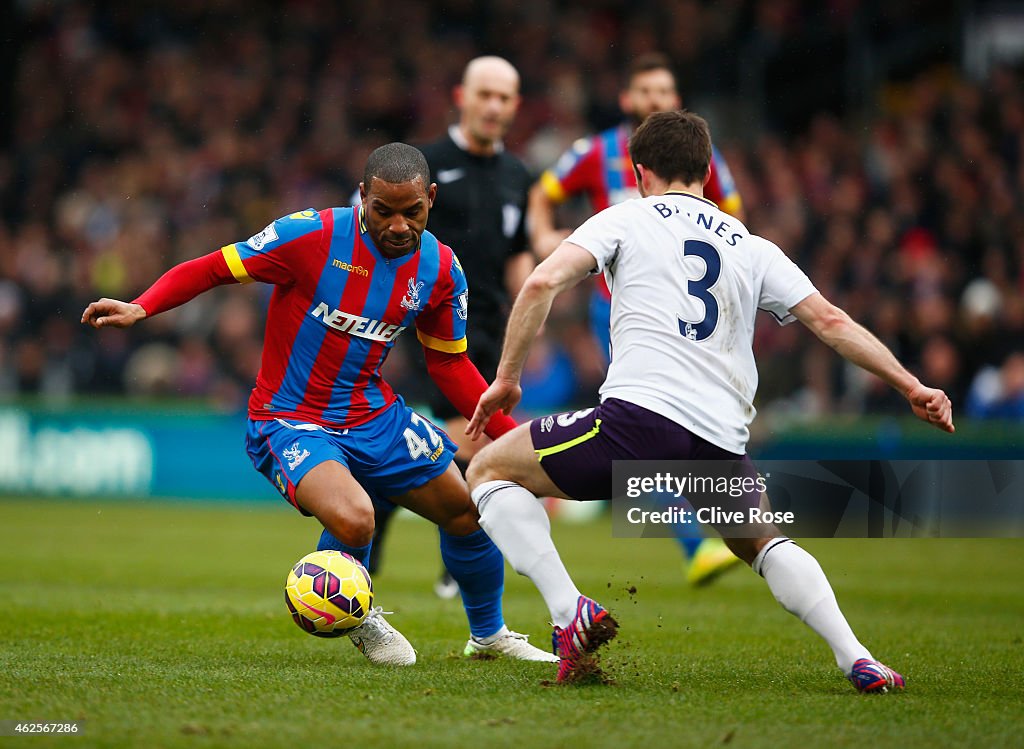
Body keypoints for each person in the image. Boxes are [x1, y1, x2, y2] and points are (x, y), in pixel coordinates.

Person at [464, 111, 954, 687]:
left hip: (639, 423)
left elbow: (542, 281)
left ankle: (568, 613)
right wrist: (911, 385)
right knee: (765, 543)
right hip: (719, 436)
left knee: (489, 468)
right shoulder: (750, 245)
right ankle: (858, 656)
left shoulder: (625, 216)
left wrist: (507, 377)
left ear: (640, 171)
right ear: (705, 172)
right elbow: (829, 320)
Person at [81, 142, 557, 667]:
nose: (399, 226)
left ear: (432, 199)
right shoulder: (311, 235)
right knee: (357, 519)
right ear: (362, 196)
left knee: (466, 512)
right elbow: (215, 268)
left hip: (374, 414)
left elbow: (449, 365)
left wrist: (514, 438)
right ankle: (358, 610)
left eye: (413, 211)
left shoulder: (441, 269)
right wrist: (142, 305)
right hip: (289, 419)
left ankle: (488, 636)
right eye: (384, 211)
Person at [322, 57, 534, 602]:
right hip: (419, 339)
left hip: (487, 338)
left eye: (505, 98)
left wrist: (538, 299)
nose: (493, 106)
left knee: (453, 460)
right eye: (484, 94)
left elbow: (517, 258)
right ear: (461, 96)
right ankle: (402, 563)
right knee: (418, 458)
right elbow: (356, 230)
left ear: (515, 106)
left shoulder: (518, 176)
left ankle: (436, 561)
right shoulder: (421, 166)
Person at [529, 52, 744, 586]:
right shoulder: (595, 152)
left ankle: (714, 531)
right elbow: (543, 194)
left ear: (676, 102)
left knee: (661, 422)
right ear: (627, 99)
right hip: (621, 306)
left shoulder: (701, 159)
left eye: (664, 93)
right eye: (645, 92)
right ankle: (698, 541)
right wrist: (542, 236)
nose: (655, 101)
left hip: (688, 307)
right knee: (644, 418)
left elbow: (734, 217)